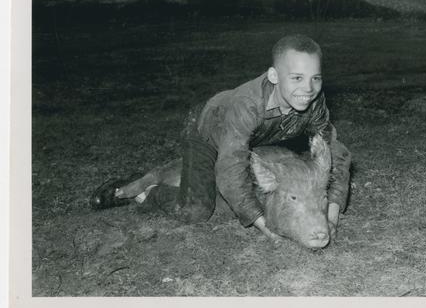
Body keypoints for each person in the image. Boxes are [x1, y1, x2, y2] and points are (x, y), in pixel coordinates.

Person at [91, 34, 352, 243]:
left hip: (254, 136)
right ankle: (148, 190)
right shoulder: (247, 105)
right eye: (297, 78)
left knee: (235, 190)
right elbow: (230, 166)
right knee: (197, 210)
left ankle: (193, 178)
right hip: (207, 129)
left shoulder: (313, 101)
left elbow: (334, 153)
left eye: (315, 78)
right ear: (274, 76)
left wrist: (331, 215)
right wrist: (261, 223)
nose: (308, 89)